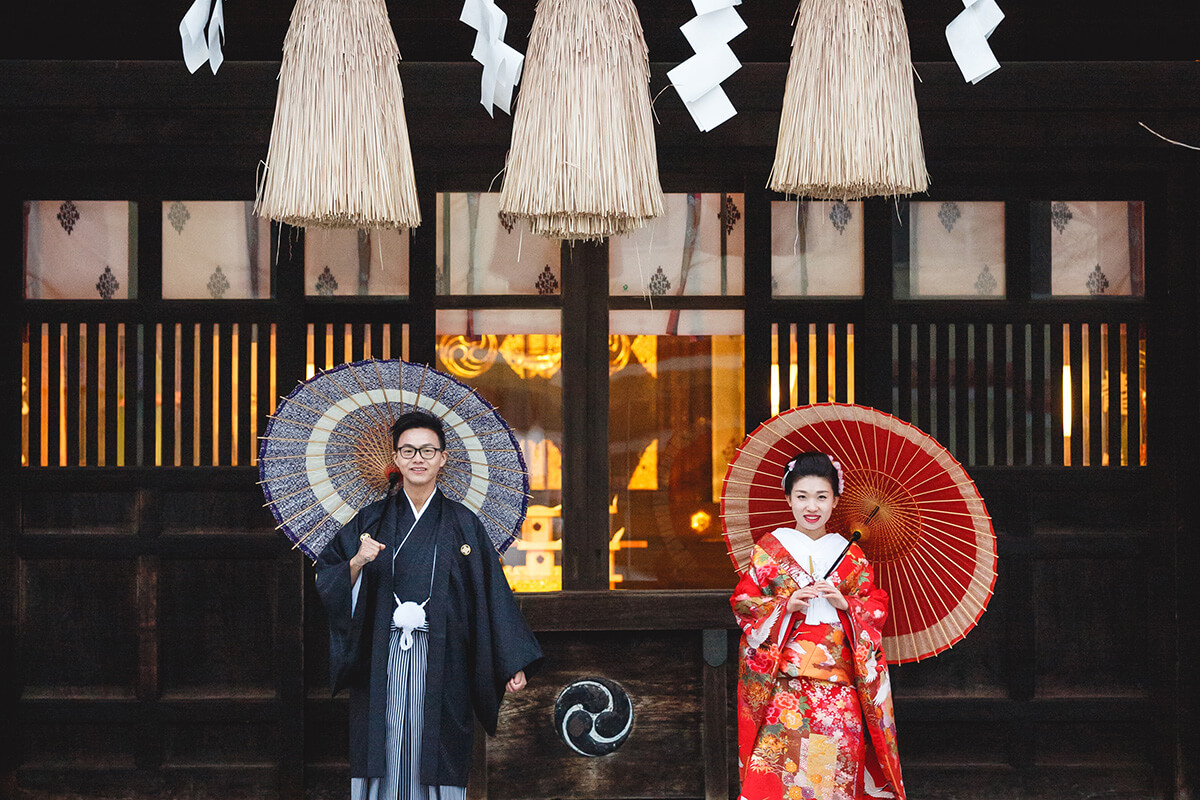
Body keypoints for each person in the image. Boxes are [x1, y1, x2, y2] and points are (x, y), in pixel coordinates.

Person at [315, 410, 543, 800]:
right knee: (382, 748)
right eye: (408, 450)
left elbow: (490, 591)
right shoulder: (371, 520)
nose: (417, 458)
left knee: (435, 749)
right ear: (396, 459)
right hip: (381, 659)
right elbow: (328, 579)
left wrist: (510, 659)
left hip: (444, 659)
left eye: (427, 450)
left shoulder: (464, 523)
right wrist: (356, 561)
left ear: (442, 457)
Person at [731, 451, 904, 800]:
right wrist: (784, 607)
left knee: (823, 788)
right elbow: (745, 605)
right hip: (785, 692)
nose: (812, 506)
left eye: (822, 497)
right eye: (802, 496)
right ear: (788, 497)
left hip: (836, 695)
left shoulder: (851, 555)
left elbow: (874, 609)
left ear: (835, 501)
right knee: (773, 783)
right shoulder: (769, 550)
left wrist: (846, 605)